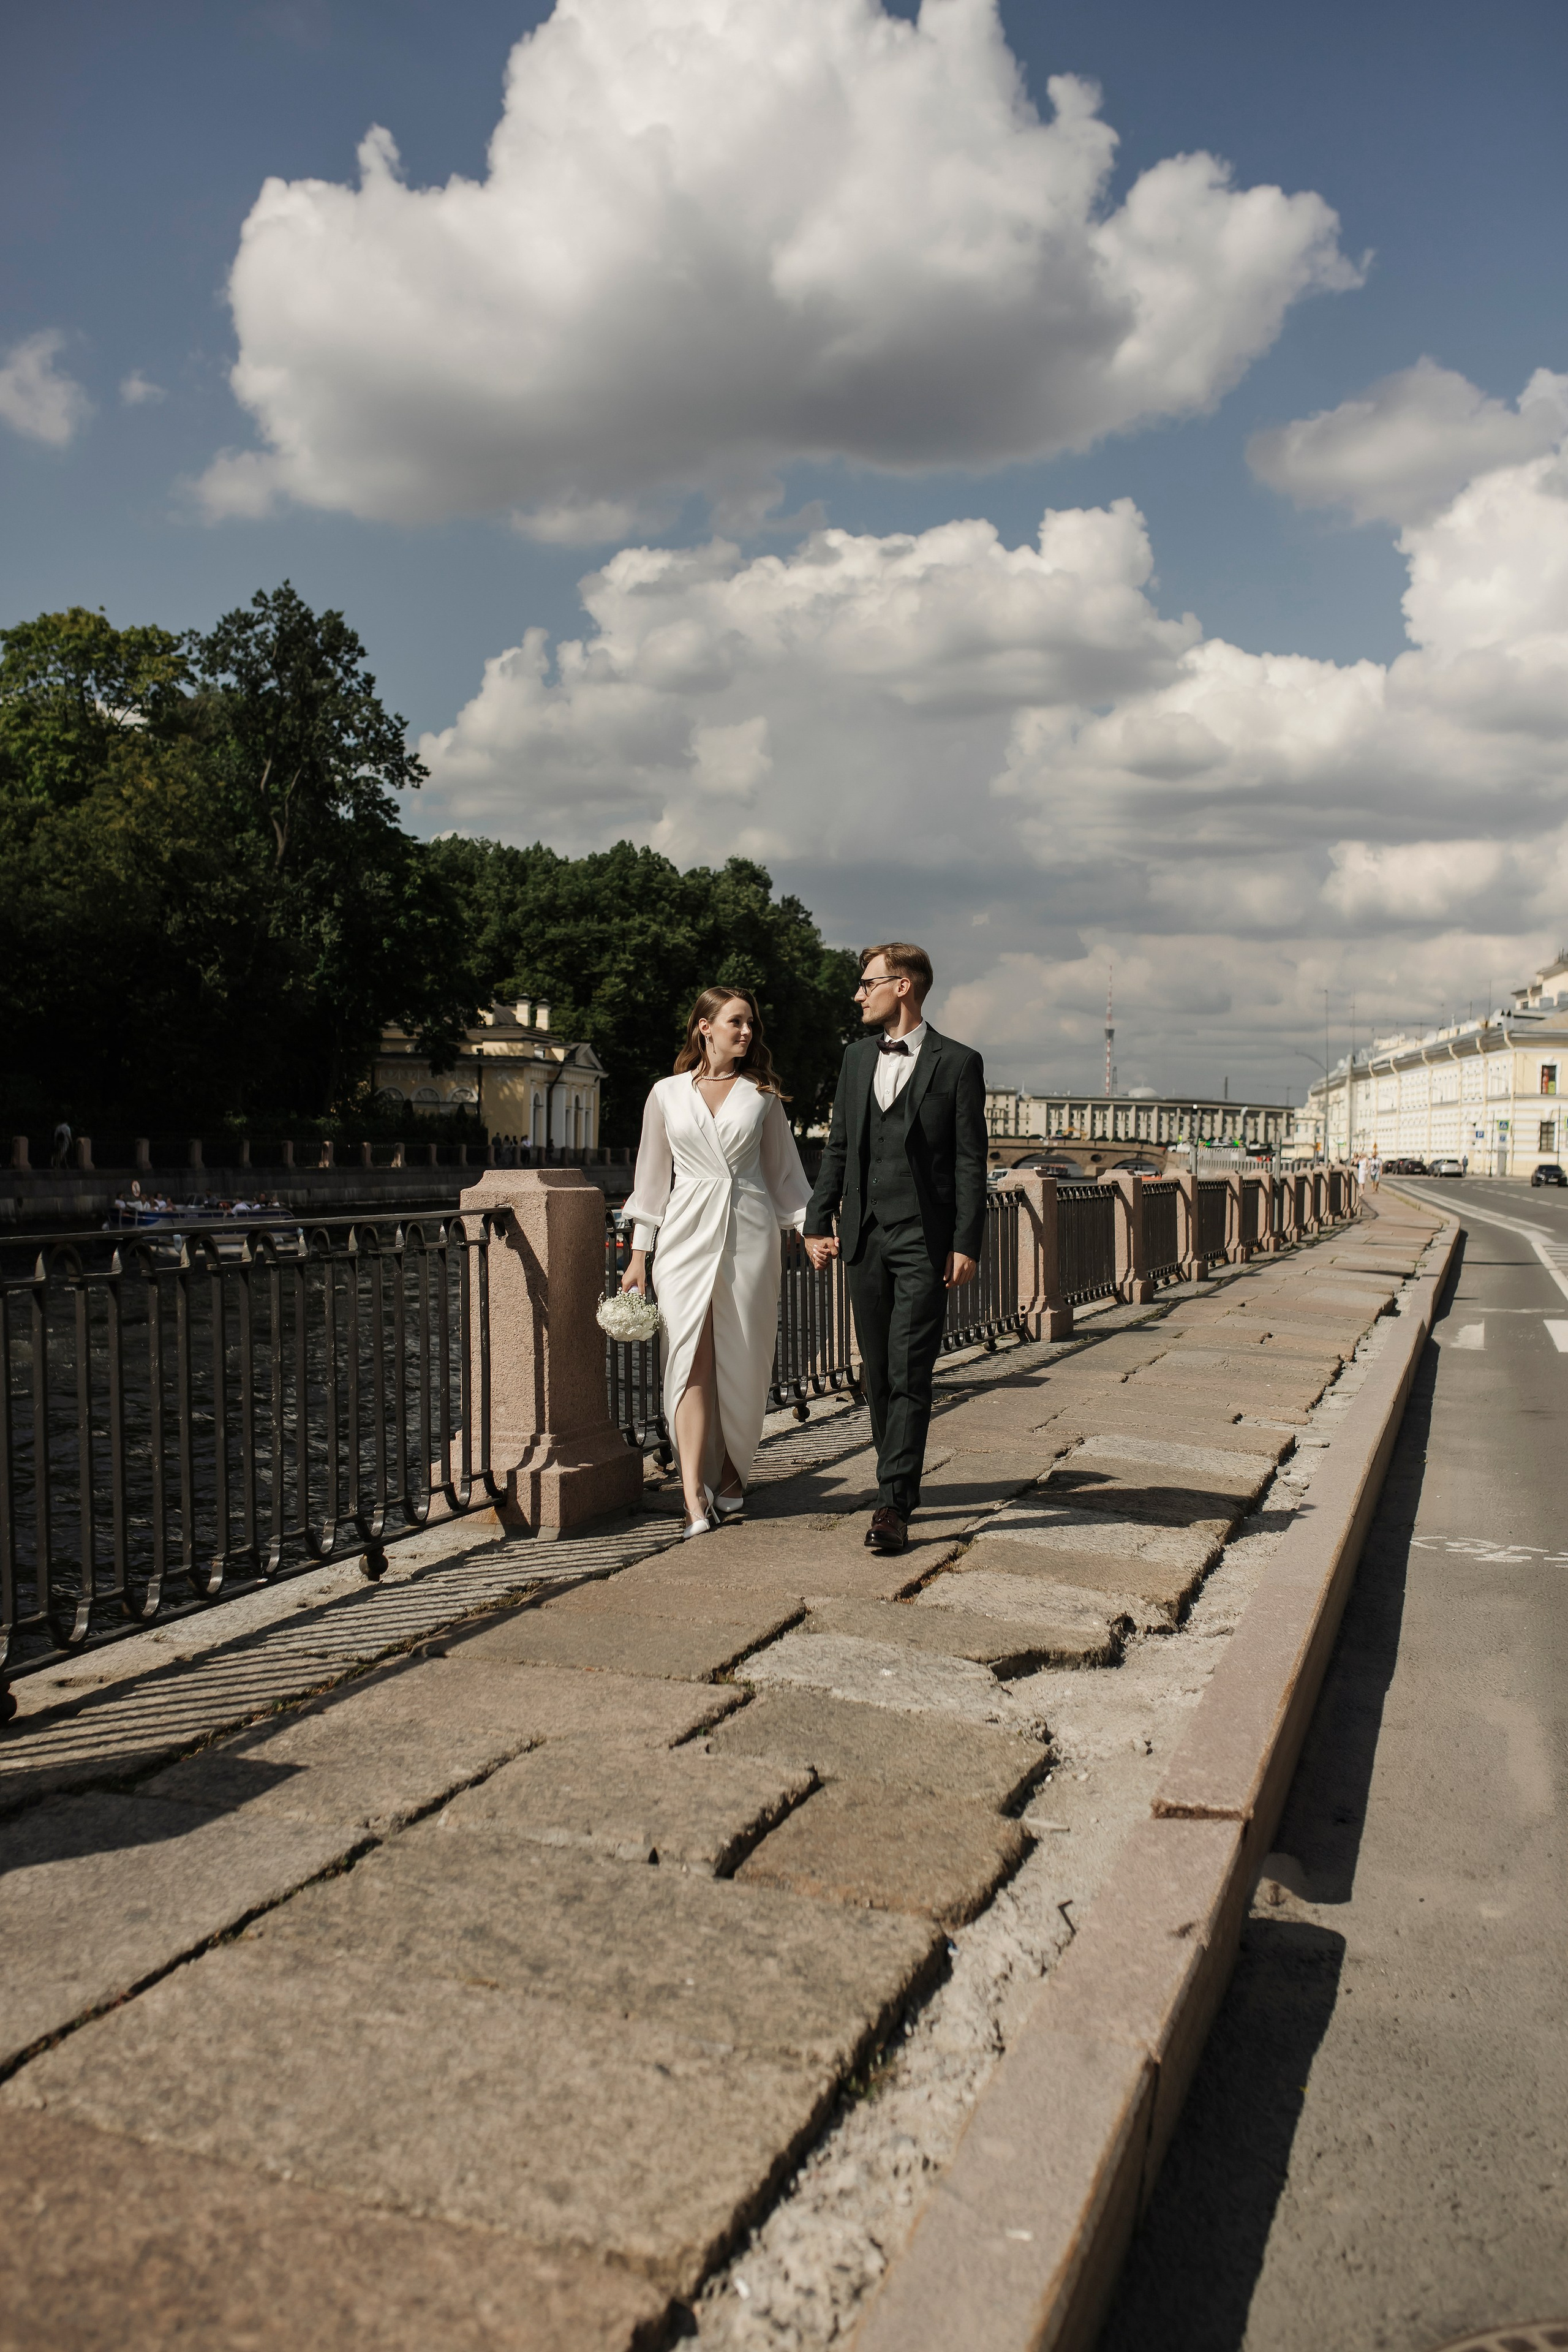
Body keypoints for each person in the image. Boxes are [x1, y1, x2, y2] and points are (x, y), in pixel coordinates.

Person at [802, 942, 987, 1555]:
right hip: (863, 1235)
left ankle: (893, 1502)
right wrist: (817, 1221)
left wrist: (965, 1241)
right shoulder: (856, 1058)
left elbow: (970, 1160)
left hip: (923, 1240)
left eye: (867, 983)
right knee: (877, 1372)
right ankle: (896, 1481)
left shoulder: (958, 1063)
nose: (858, 994)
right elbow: (838, 1146)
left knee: (910, 1368)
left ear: (901, 986)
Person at [620, 987, 812, 1539]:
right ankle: (692, 1498)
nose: (747, 1032)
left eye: (751, 1023)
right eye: (736, 1022)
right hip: (683, 1237)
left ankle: (730, 1473)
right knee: (689, 1361)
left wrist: (811, 1231)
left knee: (743, 1360)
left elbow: (784, 1175)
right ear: (705, 1026)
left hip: (749, 1236)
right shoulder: (666, 1093)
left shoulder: (762, 1095)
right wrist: (639, 1255)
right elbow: (651, 1180)